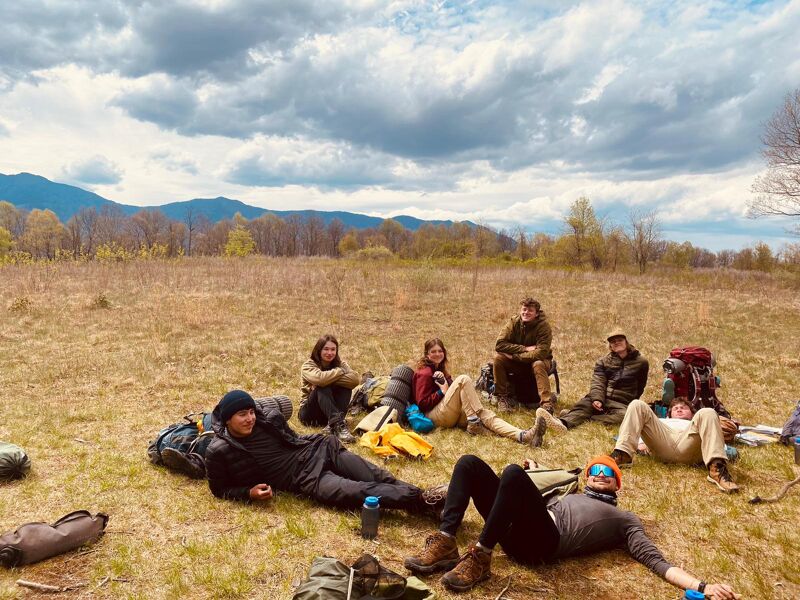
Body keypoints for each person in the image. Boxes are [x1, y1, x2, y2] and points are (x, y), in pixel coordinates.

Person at [403, 454, 738, 598]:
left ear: (616, 486)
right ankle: (447, 540)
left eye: (609, 474)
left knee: (512, 474)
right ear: (587, 478)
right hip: (518, 525)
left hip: (543, 543)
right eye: (596, 470)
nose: (600, 475)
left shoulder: (626, 520)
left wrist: (702, 585)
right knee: (470, 464)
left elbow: (657, 561)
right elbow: (526, 489)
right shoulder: (569, 491)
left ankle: (480, 557)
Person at [205, 390, 447, 514]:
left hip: (319, 451)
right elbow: (219, 489)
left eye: (251, 412)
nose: (250, 419)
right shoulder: (219, 450)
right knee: (359, 491)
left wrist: (322, 441)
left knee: (376, 475)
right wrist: (248, 492)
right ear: (227, 420)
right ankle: (421, 501)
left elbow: (294, 439)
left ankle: (424, 500)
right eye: (242, 415)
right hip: (306, 478)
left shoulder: (267, 419)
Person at [412, 338, 539, 445]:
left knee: (484, 414)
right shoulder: (424, 373)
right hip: (434, 416)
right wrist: (442, 391)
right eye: (433, 351)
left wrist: (446, 384)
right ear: (427, 354)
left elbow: (453, 391)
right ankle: (473, 423)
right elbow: (422, 404)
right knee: (463, 379)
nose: (437, 354)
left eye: (440, 351)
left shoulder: (439, 369)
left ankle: (522, 435)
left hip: (447, 412)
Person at [610, 397, 739, 493]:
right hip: (663, 441)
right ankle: (623, 455)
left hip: (690, 443)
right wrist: (641, 446)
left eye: (683, 407)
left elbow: (725, 448)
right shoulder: (661, 422)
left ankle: (717, 470)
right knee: (637, 404)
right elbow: (628, 432)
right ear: (669, 414)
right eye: (675, 408)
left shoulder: (700, 419)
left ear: (692, 414)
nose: (679, 409)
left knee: (709, 411)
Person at [553, 328, 649, 431]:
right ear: (610, 346)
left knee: (624, 417)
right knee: (584, 405)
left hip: (621, 403)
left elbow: (641, 386)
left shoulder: (641, 362)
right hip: (603, 398)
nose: (616, 343)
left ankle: (585, 418)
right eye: (613, 341)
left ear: (626, 342)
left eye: (620, 340)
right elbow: (598, 382)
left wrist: (630, 402)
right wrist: (597, 399)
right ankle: (562, 423)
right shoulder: (603, 362)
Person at [493, 297, 555, 413]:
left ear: (536, 314)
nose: (526, 313)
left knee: (538, 364)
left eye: (530, 310)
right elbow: (499, 345)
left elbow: (540, 353)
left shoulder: (543, 327)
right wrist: (524, 348)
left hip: (539, 361)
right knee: (498, 359)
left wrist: (515, 356)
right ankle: (502, 398)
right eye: (524, 309)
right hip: (519, 362)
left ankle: (546, 404)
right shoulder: (514, 322)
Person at [300, 334, 360, 443]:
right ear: (319, 350)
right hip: (310, 414)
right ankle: (338, 425)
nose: (329, 353)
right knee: (322, 387)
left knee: (345, 387)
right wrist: (340, 371)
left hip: (329, 414)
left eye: (333, 349)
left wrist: (327, 379)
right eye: (326, 349)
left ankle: (334, 425)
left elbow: (355, 380)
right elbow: (321, 380)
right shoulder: (308, 365)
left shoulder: (341, 363)